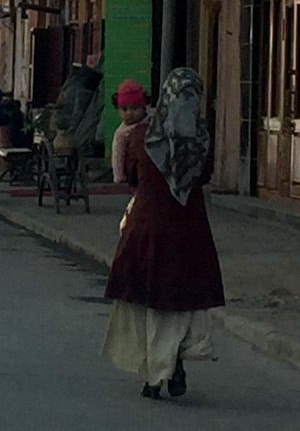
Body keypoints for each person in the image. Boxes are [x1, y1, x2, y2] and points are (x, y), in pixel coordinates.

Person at [101, 68, 224, 400]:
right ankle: (174, 364)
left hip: (148, 233)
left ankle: (154, 375)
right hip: (189, 236)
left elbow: (130, 177)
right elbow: (203, 176)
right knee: (182, 305)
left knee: (150, 306)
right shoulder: (200, 142)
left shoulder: (143, 138)